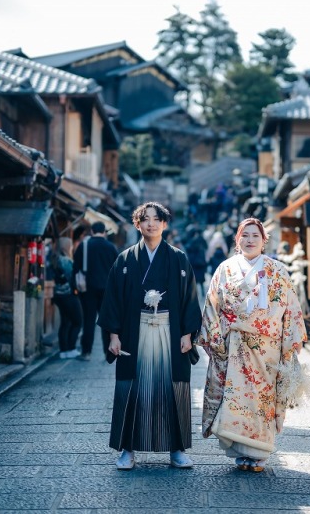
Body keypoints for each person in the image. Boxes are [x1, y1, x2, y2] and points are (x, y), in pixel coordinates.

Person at [98, 202, 202, 471]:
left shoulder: (178, 259)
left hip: (171, 331)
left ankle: (176, 450)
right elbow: (112, 302)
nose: (151, 224)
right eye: (145, 219)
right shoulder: (125, 260)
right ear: (137, 224)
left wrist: (189, 333)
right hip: (135, 331)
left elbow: (190, 298)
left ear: (165, 224)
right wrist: (113, 335)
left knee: (173, 389)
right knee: (132, 389)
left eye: (157, 219)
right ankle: (127, 450)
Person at [198, 217, 307, 473]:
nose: (249, 240)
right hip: (233, 346)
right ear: (237, 240)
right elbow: (213, 304)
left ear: (263, 241)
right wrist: (215, 337)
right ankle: (240, 451)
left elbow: (290, 307)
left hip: (266, 348)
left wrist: (290, 342)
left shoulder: (277, 270)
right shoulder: (225, 269)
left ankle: (259, 453)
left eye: (255, 236)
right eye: (244, 236)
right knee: (235, 398)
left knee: (262, 399)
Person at [73, 221, 118, 361]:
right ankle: (107, 352)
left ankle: (86, 352)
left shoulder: (84, 245)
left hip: (88, 288)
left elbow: (76, 267)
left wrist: (75, 287)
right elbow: (117, 270)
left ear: (91, 231)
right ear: (104, 232)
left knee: (88, 320)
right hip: (106, 290)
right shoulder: (111, 247)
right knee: (106, 320)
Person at [48, 237, 83, 359]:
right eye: (70, 246)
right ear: (66, 247)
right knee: (78, 321)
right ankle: (71, 348)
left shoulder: (55, 259)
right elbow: (71, 278)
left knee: (65, 322)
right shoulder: (66, 261)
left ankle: (64, 350)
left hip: (58, 295)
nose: (72, 247)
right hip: (69, 294)